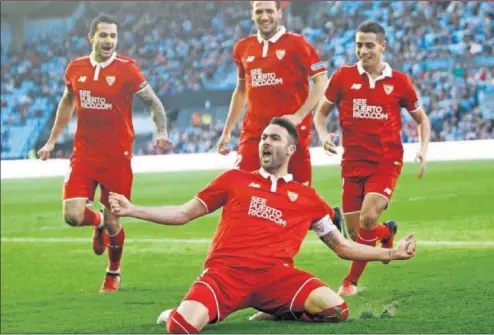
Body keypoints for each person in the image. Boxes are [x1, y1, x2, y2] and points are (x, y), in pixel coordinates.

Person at [109, 118, 417, 334]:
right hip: (225, 275)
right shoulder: (234, 179)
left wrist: (392, 254)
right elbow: (182, 213)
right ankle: (185, 310)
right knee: (181, 327)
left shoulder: (308, 198)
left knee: (336, 311)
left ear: (291, 150)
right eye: (264, 138)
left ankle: (275, 310)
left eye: (274, 138)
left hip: (275, 278)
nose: (265, 143)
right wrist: (133, 209)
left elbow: (342, 246)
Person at [37, 14, 171, 293]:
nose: (109, 41)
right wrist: (51, 141)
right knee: (72, 216)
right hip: (84, 154)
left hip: (116, 158)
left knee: (114, 222)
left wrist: (161, 132)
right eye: (104, 35)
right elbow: (67, 103)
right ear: (91, 38)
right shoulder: (75, 68)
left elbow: (154, 104)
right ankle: (95, 221)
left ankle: (113, 272)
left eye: (113, 36)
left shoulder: (128, 70)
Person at [314, 20, 430, 296]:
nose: (363, 51)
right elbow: (320, 114)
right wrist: (324, 135)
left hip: (385, 162)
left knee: (367, 217)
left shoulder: (399, 82)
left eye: (369, 45)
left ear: (382, 45)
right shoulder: (342, 76)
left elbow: (421, 119)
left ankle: (349, 282)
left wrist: (424, 149)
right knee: (357, 237)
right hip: (353, 163)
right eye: (358, 45)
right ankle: (385, 233)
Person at [217, 0, 328, 186]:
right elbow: (242, 90)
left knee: (298, 199)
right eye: (259, 12)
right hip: (254, 133)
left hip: (291, 133)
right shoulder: (243, 48)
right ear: (252, 14)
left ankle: (329, 216)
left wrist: (299, 115)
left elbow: (321, 80)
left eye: (269, 11)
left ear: (279, 13)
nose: (264, 16)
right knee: (244, 190)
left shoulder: (297, 44)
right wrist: (227, 130)